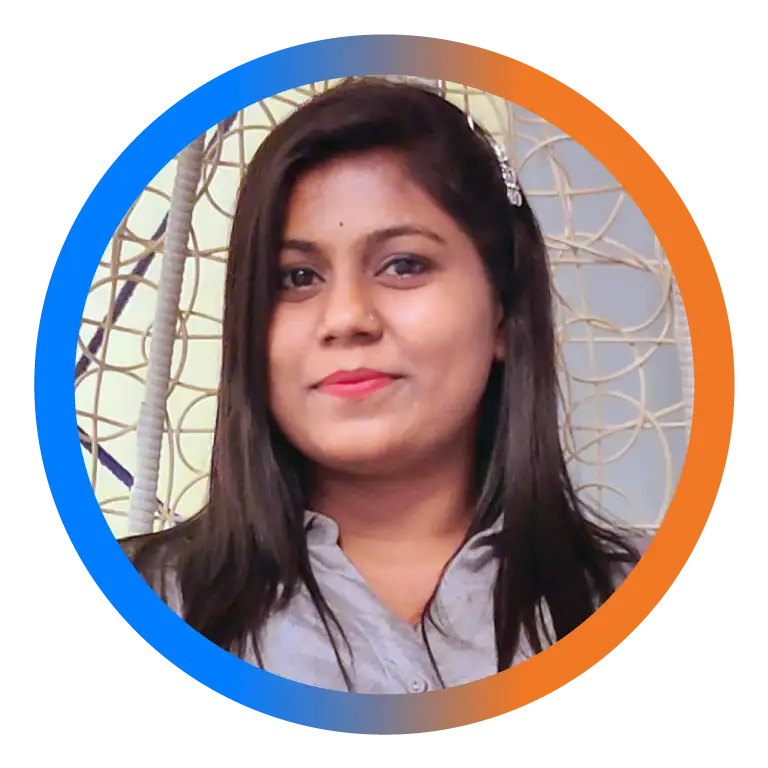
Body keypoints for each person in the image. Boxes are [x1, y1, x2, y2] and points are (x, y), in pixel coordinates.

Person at [123, 77, 644, 695]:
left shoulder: (640, 589)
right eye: (297, 277)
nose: (346, 317)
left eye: (403, 265)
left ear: (503, 313)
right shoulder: (123, 602)